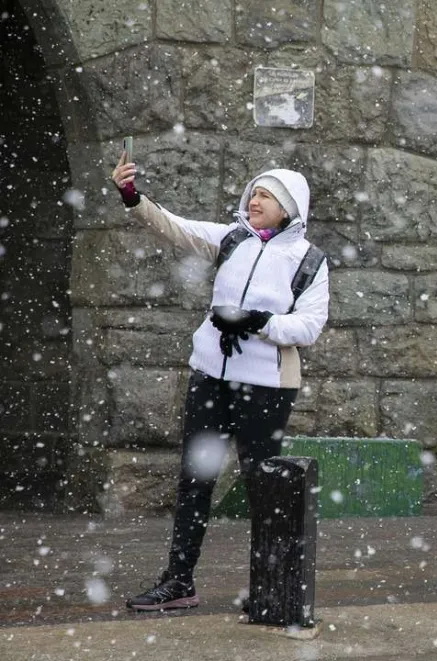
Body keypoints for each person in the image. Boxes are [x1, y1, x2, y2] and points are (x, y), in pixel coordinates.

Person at [110, 150, 330, 611]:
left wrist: (256, 321)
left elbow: (309, 327)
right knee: (195, 482)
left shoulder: (308, 259)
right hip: (211, 379)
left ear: (289, 208)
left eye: (265, 196)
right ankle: (179, 580)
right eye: (253, 192)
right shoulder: (232, 239)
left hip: (267, 389)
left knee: (264, 487)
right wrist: (132, 196)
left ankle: (270, 589)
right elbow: (174, 226)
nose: (254, 200)